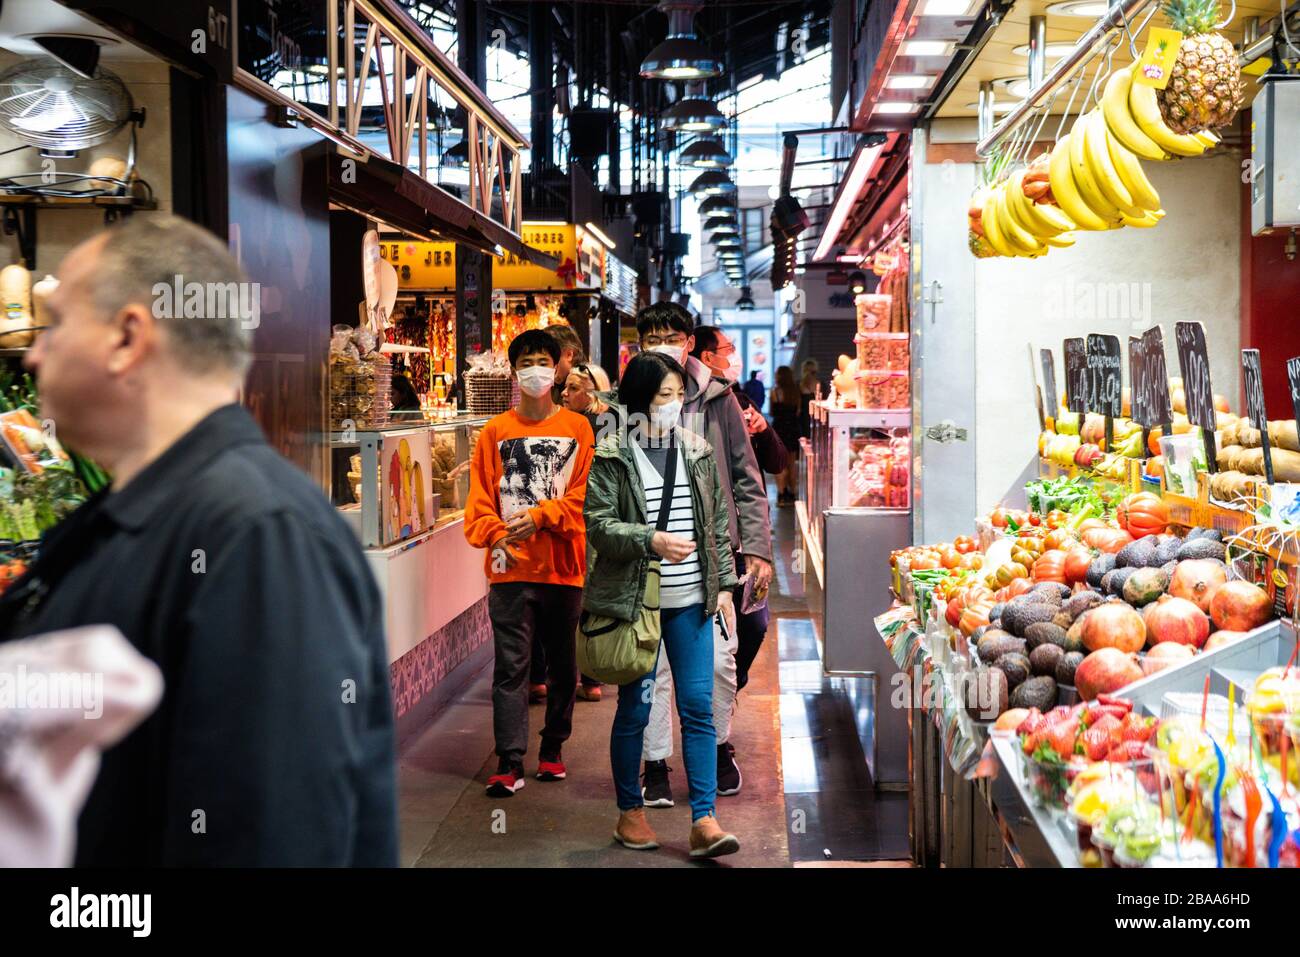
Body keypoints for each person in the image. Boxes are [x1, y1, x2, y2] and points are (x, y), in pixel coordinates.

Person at [0, 214, 398, 866]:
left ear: (128, 338)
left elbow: (266, 841)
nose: (33, 353)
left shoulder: (257, 533)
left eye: (57, 324)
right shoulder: (152, 511)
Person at [584, 351, 740, 858]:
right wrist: (650, 540)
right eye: (661, 397)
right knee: (636, 707)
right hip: (638, 605)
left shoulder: (696, 451)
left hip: (691, 601)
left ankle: (704, 820)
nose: (672, 406)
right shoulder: (611, 454)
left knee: (698, 709)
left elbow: (716, 521)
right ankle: (630, 813)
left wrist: (722, 585)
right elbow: (599, 527)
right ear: (637, 402)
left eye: (678, 396)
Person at [633, 302, 772, 804]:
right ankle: (654, 764)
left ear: (689, 342)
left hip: (712, 554)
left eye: (673, 335)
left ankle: (716, 746)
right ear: (640, 343)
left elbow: (747, 477)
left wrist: (756, 549)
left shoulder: (719, 398)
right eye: (653, 337)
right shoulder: (626, 401)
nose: (664, 344)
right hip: (649, 556)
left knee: (719, 660)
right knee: (655, 667)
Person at [464, 329, 595, 796]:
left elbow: (585, 500)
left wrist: (541, 516)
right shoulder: (494, 432)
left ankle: (554, 747)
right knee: (511, 667)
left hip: (564, 567)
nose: (535, 369)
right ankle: (509, 759)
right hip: (508, 572)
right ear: (515, 370)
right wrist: (500, 532)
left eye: (543, 360)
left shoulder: (579, 429)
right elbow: (478, 506)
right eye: (526, 362)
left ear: (558, 365)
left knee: (563, 666)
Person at [690, 326, 786, 691]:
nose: (734, 355)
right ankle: (717, 718)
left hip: (745, 539)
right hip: (710, 538)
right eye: (728, 348)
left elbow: (775, 464)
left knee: (755, 624)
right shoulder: (689, 406)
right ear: (707, 358)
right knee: (718, 629)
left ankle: (732, 684)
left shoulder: (737, 399)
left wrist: (762, 430)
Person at [559, 359, 614, 702]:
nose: (564, 393)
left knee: (583, 596)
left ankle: (588, 675)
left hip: (588, 518)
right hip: (575, 516)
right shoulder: (606, 422)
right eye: (564, 387)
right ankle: (590, 676)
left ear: (592, 391)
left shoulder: (599, 423)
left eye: (573, 388)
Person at [771, 365, 803, 506]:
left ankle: (781, 493)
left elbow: (772, 412)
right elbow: (798, 412)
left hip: (779, 429)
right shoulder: (796, 392)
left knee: (780, 463)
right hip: (793, 428)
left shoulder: (775, 392)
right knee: (791, 463)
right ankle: (792, 492)